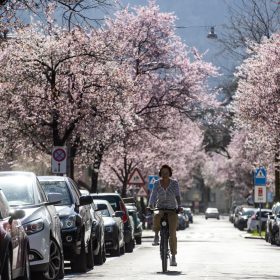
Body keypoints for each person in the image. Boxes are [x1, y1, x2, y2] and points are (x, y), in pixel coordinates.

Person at [147, 164, 182, 267]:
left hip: (172, 209)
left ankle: (174, 257)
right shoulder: (157, 183)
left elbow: (177, 195)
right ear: (160, 173)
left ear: (169, 173)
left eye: (166, 172)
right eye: (162, 172)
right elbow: (153, 195)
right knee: (156, 215)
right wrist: (150, 205)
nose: (164, 174)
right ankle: (156, 235)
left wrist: (179, 206)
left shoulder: (174, 183)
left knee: (172, 234)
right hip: (160, 207)